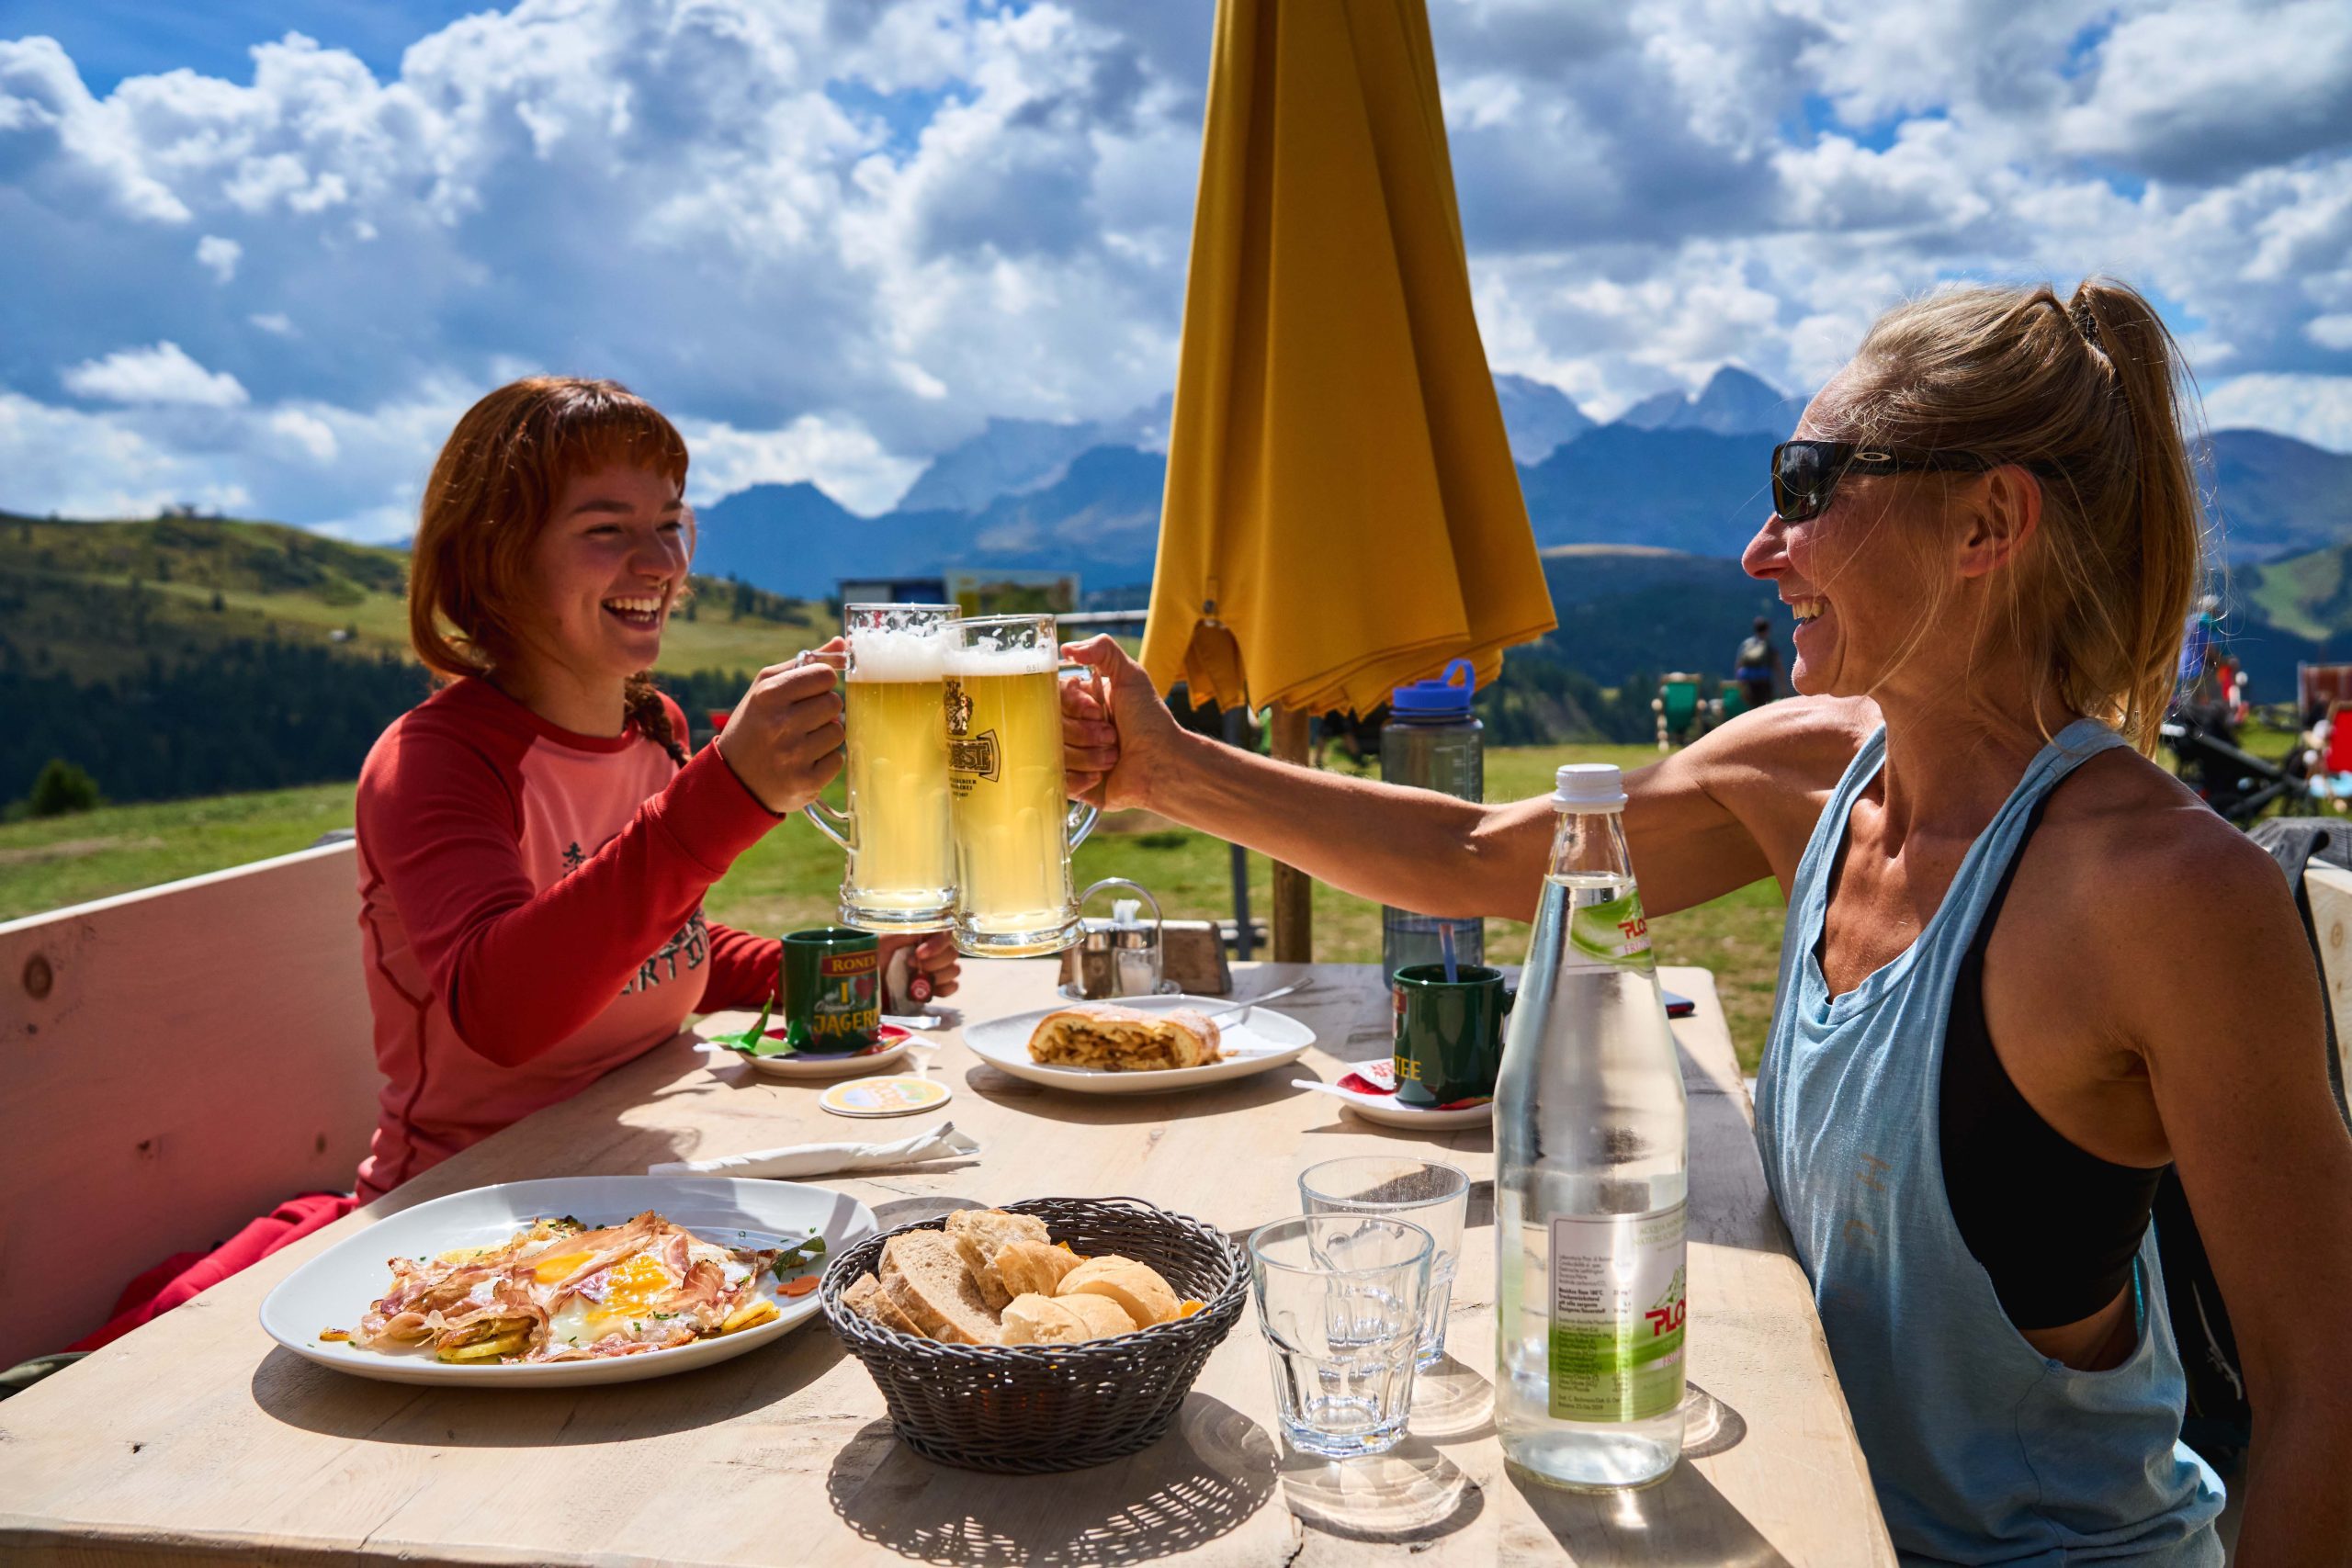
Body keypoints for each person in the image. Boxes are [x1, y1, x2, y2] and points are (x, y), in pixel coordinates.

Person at [1061, 281, 2352, 1564]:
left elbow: (2327, 1386)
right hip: (1795, 1514)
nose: (1759, 547)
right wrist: (1167, 770)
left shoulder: (2167, 893)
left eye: (1806, 484)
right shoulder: (1805, 776)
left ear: (1987, 522)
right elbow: (1472, 851)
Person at [353, 377, 957, 1202]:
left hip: (633, 1166)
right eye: (608, 529)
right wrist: (724, 796)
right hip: (468, 1204)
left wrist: (837, 970)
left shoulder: (654, 727)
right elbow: (502, 1013)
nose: (663, 562)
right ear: (497, 557)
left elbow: (662, 949)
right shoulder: (435, 760)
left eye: (671, 524)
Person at [1734, 614, 1781, 710]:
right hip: (1764, 683)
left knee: (1753, 710)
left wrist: (1740, 686)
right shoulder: (1770, 647)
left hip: (1748, 683)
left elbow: (1738, 665)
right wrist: (1783, 687)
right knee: (1765, 709)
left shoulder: (1746, 644)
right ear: (1767, 630)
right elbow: (1778, 667)